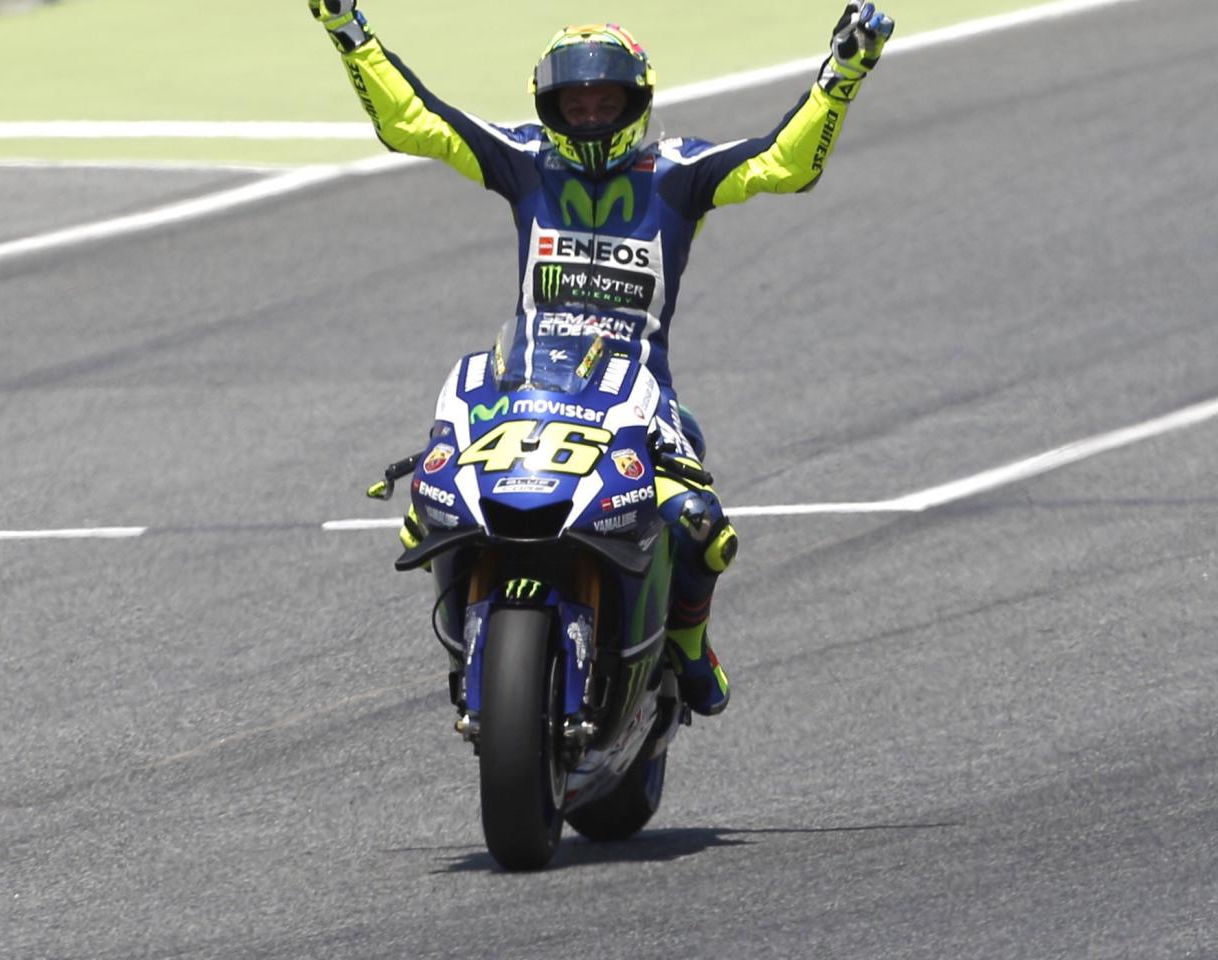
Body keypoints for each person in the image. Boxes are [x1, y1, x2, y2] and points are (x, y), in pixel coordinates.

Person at [308, 0, 895, 717]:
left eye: (604, 101)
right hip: (528, 385)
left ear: (637, 102)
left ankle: (687, 643)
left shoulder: (679, 174)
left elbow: (784, 165)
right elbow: (415, 123)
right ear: (548, 106)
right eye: (573, 102)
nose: (588, 115)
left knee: (700, 526)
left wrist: (844, 71)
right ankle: (471, 637)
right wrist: (349, 32)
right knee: (427, 504)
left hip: (641, 395)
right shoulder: (526, 161)